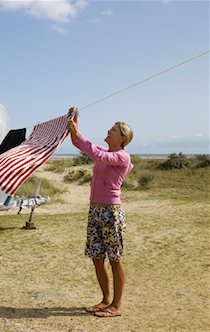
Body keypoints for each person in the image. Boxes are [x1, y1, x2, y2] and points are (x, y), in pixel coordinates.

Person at [67, 107, 134, 318]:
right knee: (97, 257)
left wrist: (78, 133)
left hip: (111, 213)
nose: (108, 130)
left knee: (114, 259)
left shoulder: (122, 157)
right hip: (95, 210)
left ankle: (116, 305)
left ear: (122, 138)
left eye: (113, 129)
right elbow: (79, 144)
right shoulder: (105, 154)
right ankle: (105, 300)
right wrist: (74, 122)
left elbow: (93, 152)